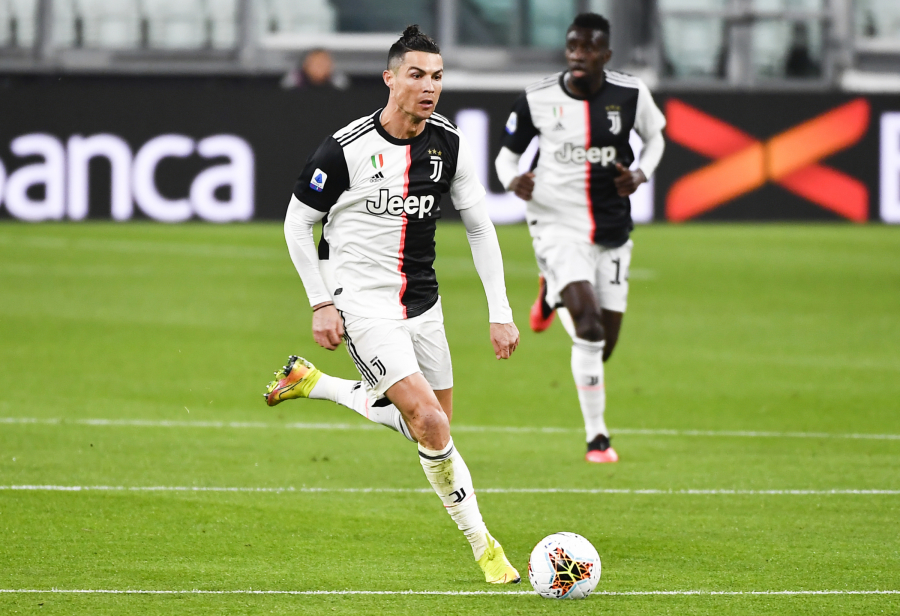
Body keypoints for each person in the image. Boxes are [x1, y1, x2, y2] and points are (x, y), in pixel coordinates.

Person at [264, 25, 521, 585]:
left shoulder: (448, 142)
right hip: (360, 303)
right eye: (416, 75)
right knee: (428, 421)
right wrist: (321, 302)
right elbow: (297, 222)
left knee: (435, 428)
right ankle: (485, 546)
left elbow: (480, 226)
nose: (429, 87)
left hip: (422, 304)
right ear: (390, 78)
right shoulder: (345, 148)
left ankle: (320, 385)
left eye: (437, 76)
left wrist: (499, 310)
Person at [494, 12, 665, 464]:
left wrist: (641, 173)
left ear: (605, 55)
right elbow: (505, 159)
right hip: (556, 223)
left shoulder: (631, 94)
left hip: (611, 228)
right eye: (572, 47)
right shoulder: (537, 99)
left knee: (601, 347)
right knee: (587, 327)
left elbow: (656, 138)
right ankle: (597, 438)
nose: (578, 56)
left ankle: (550, 295)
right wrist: (514, 182)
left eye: (588, 49)